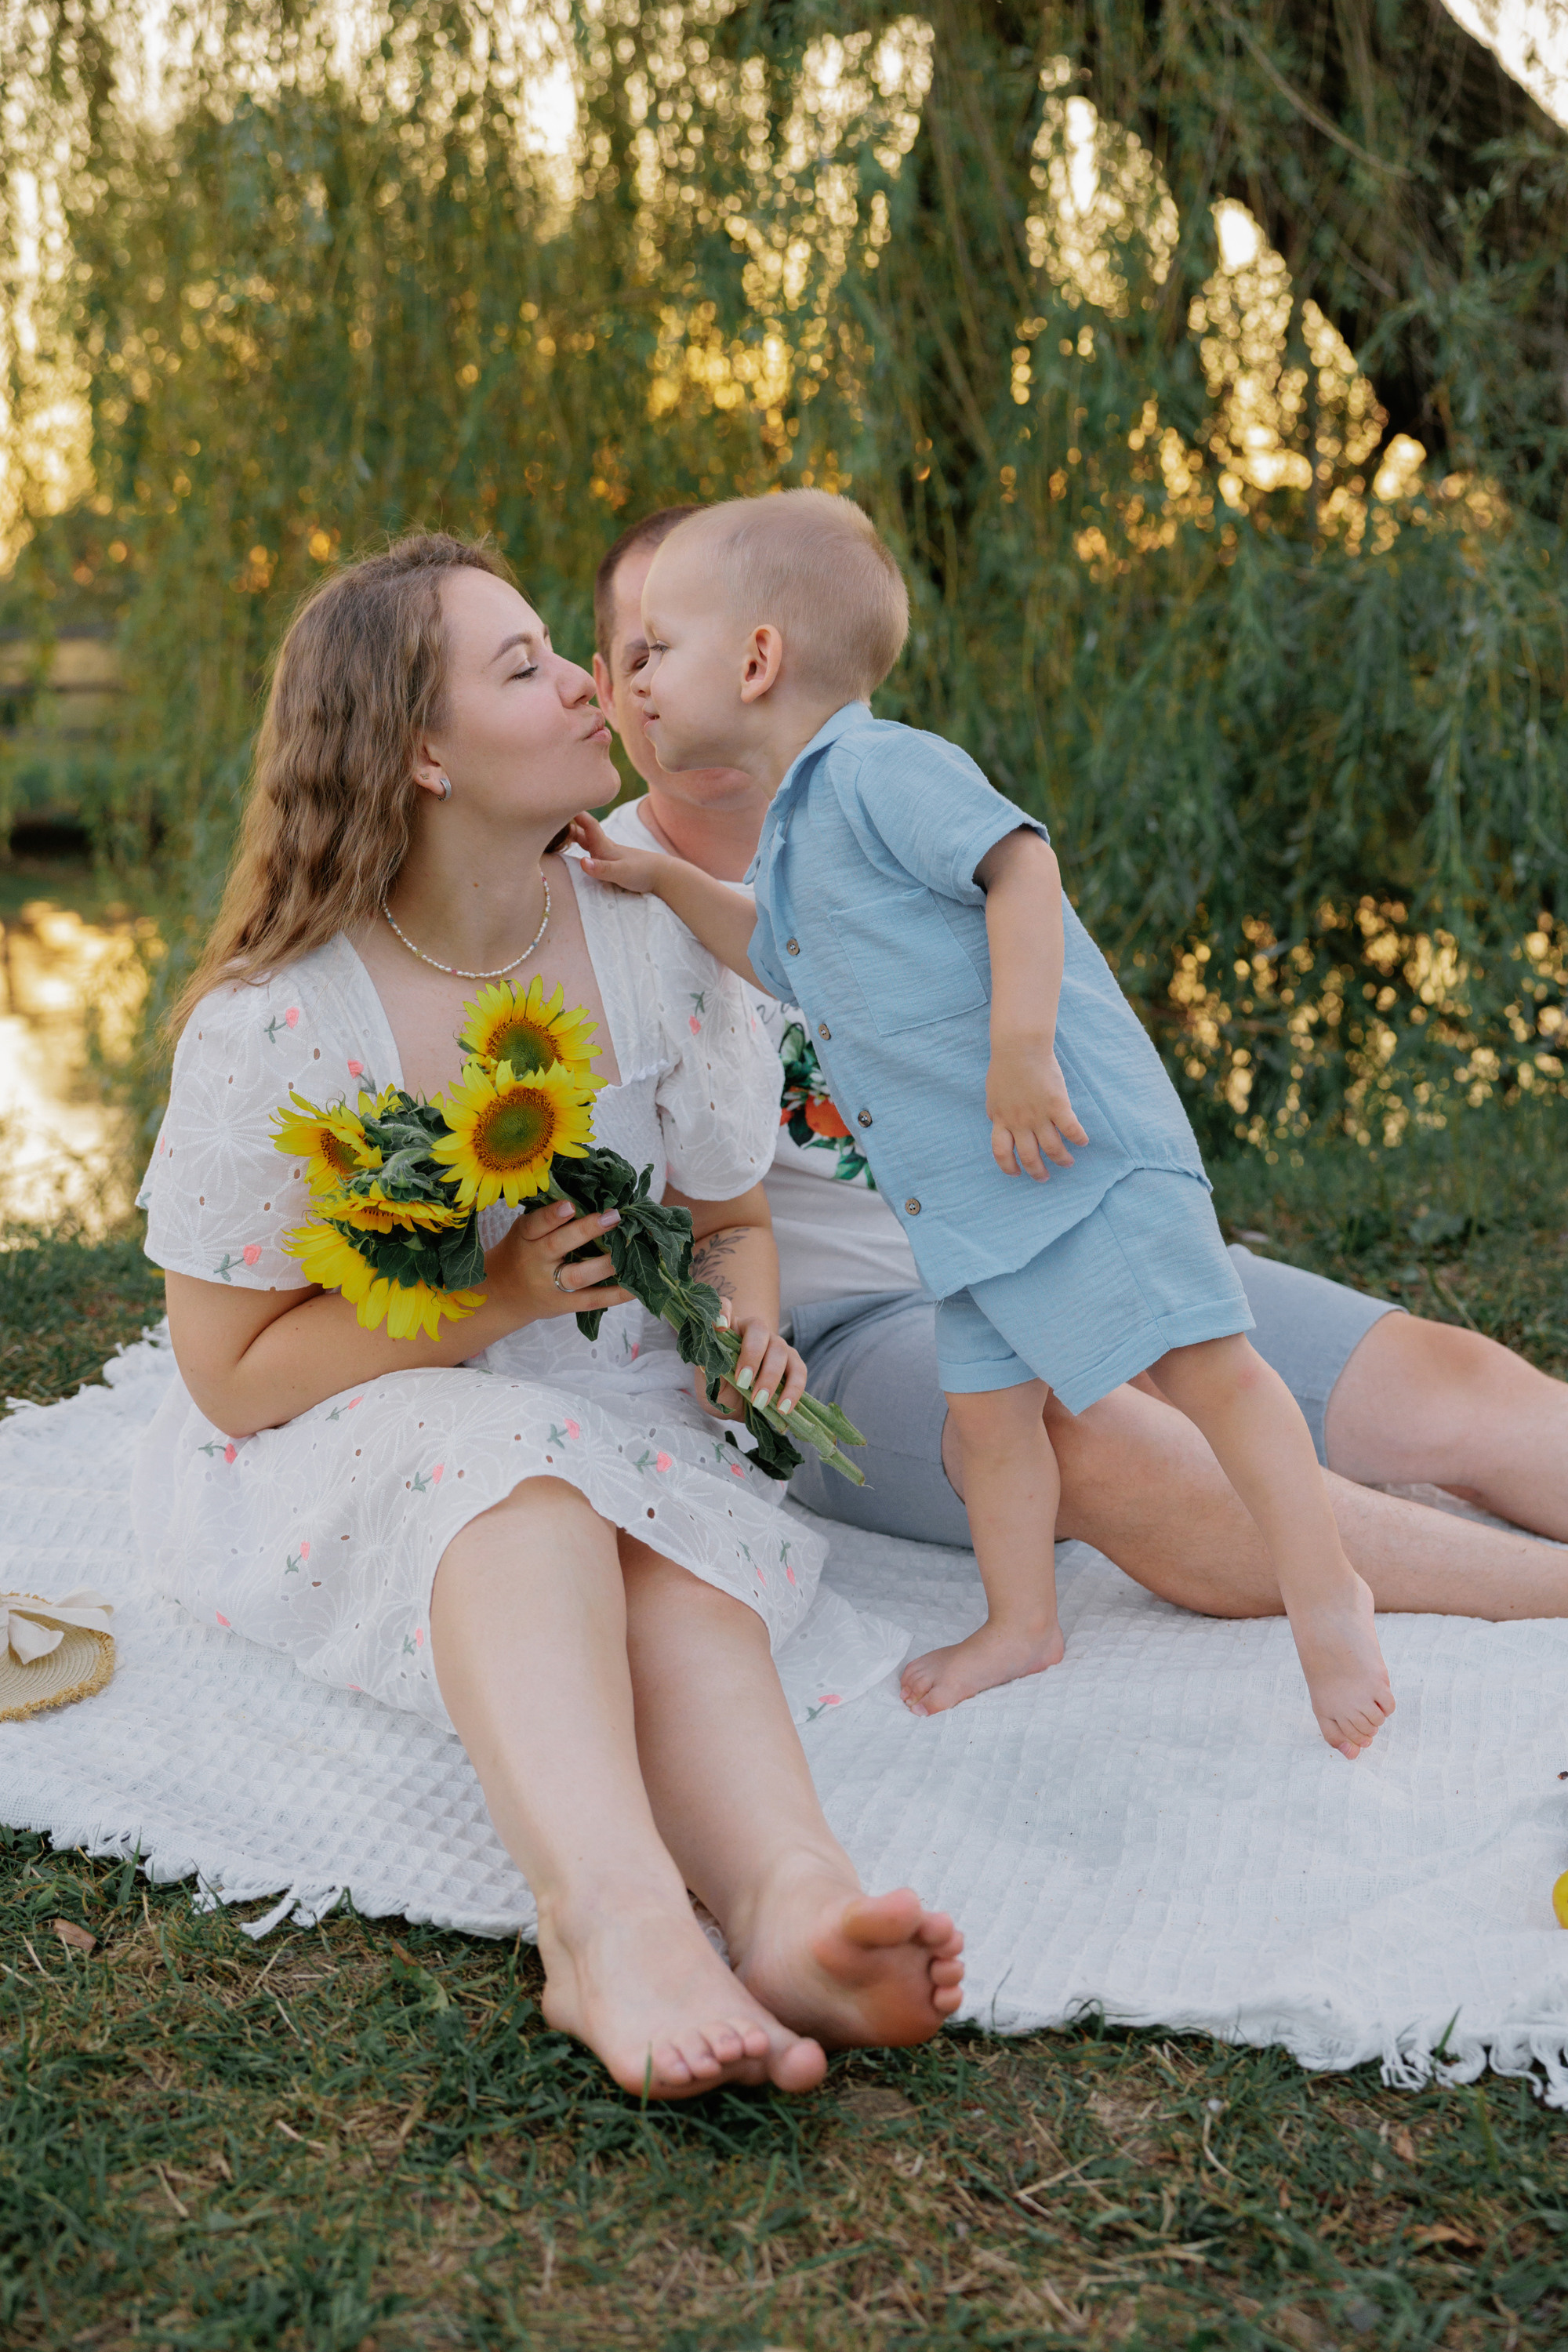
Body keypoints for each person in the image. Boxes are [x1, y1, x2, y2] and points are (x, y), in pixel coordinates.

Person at [132, 532, 965, 2103]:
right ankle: (609, 1922)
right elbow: (235, 1378)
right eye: (524, 665)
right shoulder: (285, 1023)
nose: (590, 675)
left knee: (679, 1564)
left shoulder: (653, 943)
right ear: (422, 754)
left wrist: (734, 1339)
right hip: (365, 1424)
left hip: (617, 1401)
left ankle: (794, 1900)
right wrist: (497, 1298)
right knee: (518, 1482)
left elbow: (725, 1219)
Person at [586, 501, 1568, 1647]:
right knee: (1093, 1429)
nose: (658, 679)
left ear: (765, 657)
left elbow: (1022, 891)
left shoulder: (882, 800)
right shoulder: (607, 901)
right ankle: (1505, 1593)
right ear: (605, 690)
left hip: (1059, 1212)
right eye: (637, 654)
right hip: (857, 1328)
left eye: (682, 643)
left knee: (1437, 1381)